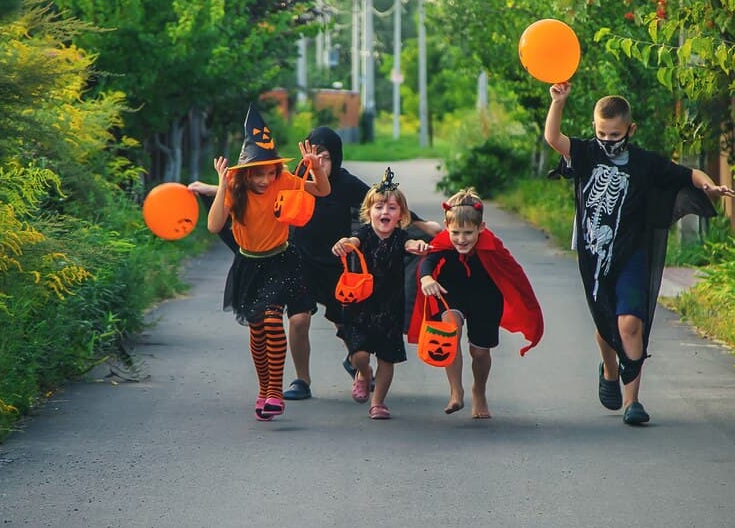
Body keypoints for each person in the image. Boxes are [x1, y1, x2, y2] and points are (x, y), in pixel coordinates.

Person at [193, 126, 441, 401]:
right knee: (298, 320)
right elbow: (254, 190)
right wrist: (212, 187)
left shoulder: (345, 184)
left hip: (338, 265)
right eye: (313, 156)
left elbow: (382, 202)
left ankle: (358, 365)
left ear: (336, 158)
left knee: (347, 323)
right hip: (300, 261)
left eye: (324, 157)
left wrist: (421, 224)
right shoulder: (292, 177)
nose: (318, 162)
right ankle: (302, 379)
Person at [543, 83, 735, 425]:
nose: (608, 139)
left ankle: (633, 402)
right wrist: (558, 102)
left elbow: (688, 174)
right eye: (601, 132)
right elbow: (554, 139)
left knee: (629, 322)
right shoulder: (587, 153)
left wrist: (709, 185)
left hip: (633, 253)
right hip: (595, 254)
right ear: (594, 129)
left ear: (630, 130)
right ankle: (610, 369)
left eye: (615, 133)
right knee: (605, 322)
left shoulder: (645, 163)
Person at [206, 105, 330, 421]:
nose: (264, 179)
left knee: (274, 319)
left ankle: (275, 391)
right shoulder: (235, 189)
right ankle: (263, 390)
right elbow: (214, 225)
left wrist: (315, 168)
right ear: (245, 172)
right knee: (257, 329)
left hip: (280, 260)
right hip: (249, 265)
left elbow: (322, 190)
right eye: (258, 174)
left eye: (269, 172)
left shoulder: (284, 179)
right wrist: (222, 184)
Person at [409, 188, 544, 419]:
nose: (461, 239)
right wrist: (427, 277)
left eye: (468, 233)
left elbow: (513, 274)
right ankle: (456, 391)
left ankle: (478, 391)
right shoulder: (444, 242)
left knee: (480, 352)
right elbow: (428, 261)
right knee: (449, 333)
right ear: (447, 226)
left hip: (486, 298)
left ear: (481, 228)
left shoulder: (493, 246)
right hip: (451, 293)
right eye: (456, 232)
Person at [330, 168, 429, 419]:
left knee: (387, 358)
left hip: (390, 308)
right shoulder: (363, 234)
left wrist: (417, 245)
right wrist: (344, 243)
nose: (385, 212)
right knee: (360, 354)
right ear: (369, 212)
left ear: (401, 216)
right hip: (360, 306)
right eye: (379, 208)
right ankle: (363, 373)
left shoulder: (401, 237)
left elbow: (409, 244)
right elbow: (353, 242)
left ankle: (378, 402)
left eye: (392, 208)